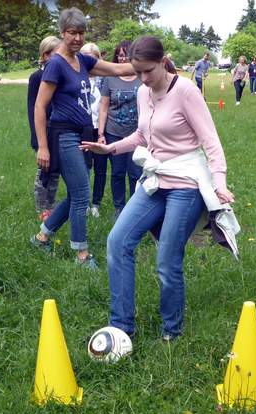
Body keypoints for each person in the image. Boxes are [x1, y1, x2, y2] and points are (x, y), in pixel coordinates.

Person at [80, 36, 234, 341]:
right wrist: (109, 149)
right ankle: (122, 327)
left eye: (148, 71)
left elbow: (211, 141)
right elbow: (141, 134)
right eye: (138, 72)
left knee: (166, 259)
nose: (143, 78)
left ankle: (171, 332)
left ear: (163, 62)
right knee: (117, 241)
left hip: (185, 184)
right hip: (154, 181)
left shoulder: (186, 91)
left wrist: (219, 182)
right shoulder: (143, 93)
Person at [29, 7, 134, 269]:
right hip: (62, 134)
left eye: (81, 33)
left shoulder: (83, 61)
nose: (77, 38)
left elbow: (114, 69)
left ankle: (42, 237)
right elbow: (40, 107)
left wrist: (146, 64)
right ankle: (81, 254)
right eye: (72, 33)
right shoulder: (56, 64)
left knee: (78, 192)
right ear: (63, 33)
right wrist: (42, 146)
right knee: (81, 194)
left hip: (81, 134)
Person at [98, 40, 142, 218]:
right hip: (113, 132)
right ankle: (119, 208)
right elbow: (103, 107)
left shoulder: (141, 77)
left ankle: (135, 207)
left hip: (137, 134)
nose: (123, 58)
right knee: (117, 172)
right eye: (120, 54)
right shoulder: (110, 78)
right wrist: (101, 133)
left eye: (126, 54)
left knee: (135, 173)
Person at [28, 36, 61, 221]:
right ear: (46, 55)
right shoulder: (37, 77)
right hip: (42, 134)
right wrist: (38, 140)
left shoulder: (58, 75)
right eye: (56, 54)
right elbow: (33, 108)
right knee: (43, 172)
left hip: (57, 132)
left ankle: (51, 204)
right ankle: (41, 207)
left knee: (54, 171)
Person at [80, 42, 106, 218]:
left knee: (100, 169)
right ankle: (84, 202)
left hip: (101, 129)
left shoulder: (104, 80)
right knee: (83, 168)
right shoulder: (76, 78)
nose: (89, 59)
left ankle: (96, 203)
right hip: (82, 130)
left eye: (92, 56)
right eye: (85, 56)